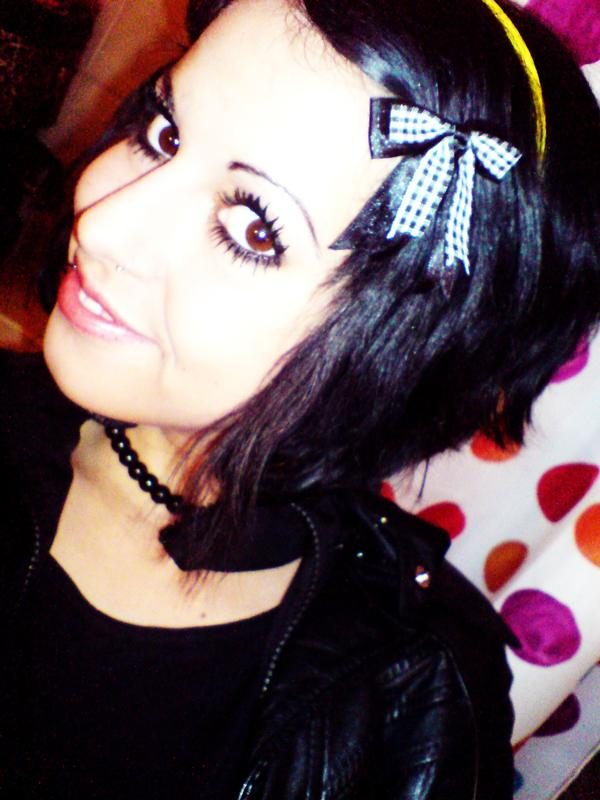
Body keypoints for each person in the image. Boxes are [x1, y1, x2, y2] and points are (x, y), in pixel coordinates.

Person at [1, 0, 599, 797]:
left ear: (404, 354)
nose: (103, 222)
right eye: (164, 133)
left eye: (252, 227)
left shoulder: (413, 700)